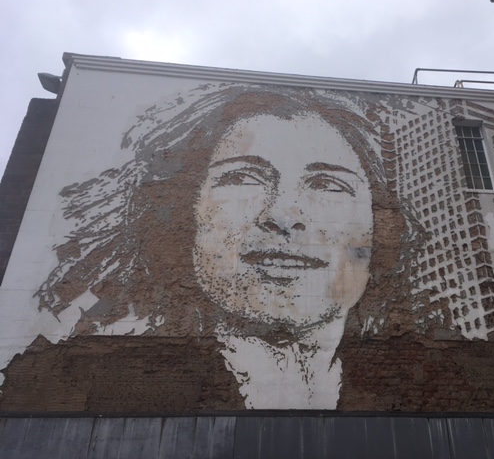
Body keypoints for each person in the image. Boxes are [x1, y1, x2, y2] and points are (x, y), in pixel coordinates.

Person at [35, 84, 426, 409]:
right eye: (243, 177)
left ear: (381, 226)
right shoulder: (74, 379)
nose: (284, 215)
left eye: (328, 185)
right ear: (185, 212)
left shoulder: (432, 378)